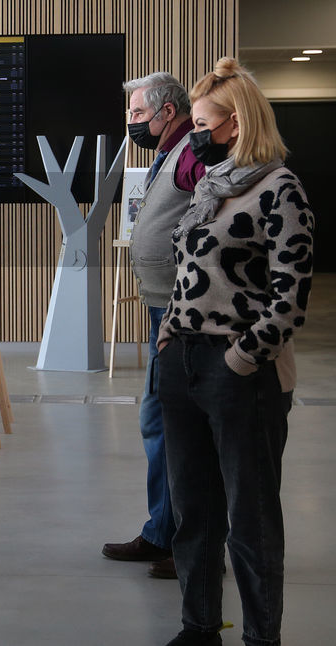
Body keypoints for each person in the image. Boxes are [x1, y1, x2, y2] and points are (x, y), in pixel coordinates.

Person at [155, 57, 314, 646]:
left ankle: (260, 637)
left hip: (242, 373)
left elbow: (290, 297)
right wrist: (170, 334)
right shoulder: (209, 186)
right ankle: (199, 628)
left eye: (203, 122)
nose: (196, 134)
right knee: (193, 513)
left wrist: (242, 358)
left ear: (237, 123)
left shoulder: (280, 190)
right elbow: (187, 273)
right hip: (183, 362)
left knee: (250, 521)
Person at [102, 71, 205, 580]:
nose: (133, 122)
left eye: (139, 114)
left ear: (168, 111)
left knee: (176, 427)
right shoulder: (171, 152)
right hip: (164, 306)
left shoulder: (192, 153)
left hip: (181, 311)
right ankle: (162, 532)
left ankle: (185, 544)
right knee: (159, 422)